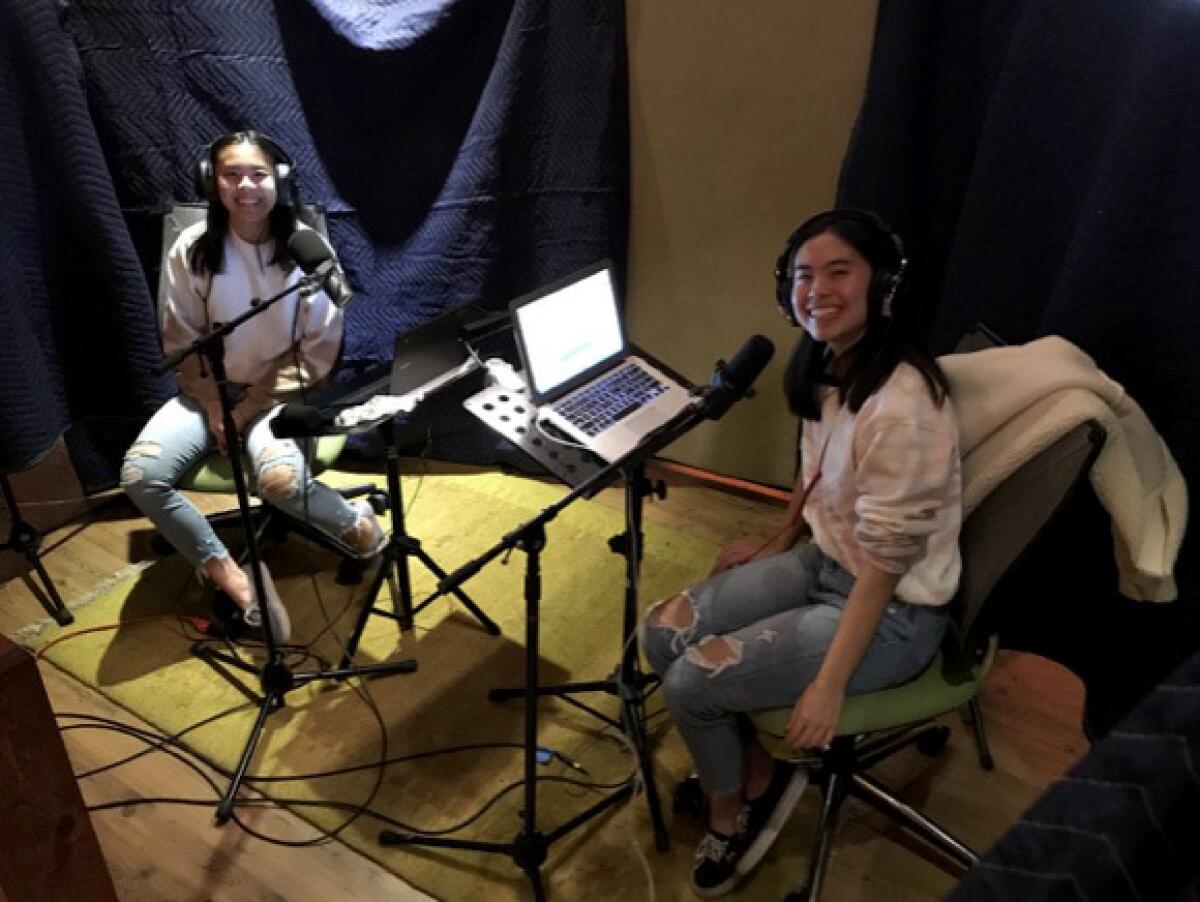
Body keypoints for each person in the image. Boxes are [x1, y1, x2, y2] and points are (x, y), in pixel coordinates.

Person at [641, 209, 962, 896]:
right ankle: (758, 772)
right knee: (662, 632)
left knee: (691, 684)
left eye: (838, 271)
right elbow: (814, 473)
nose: (816, 288)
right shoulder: (830, 366)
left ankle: (731, 815)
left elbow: (887, 565)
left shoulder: (901, 407)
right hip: (827, 563)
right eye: (803, 275)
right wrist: (779, 539)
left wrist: (828, 684)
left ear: (882, 283)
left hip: (892, 611)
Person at [121, 131, 385, 643]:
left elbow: (317, 352)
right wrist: (215, 402)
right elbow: (183, 341)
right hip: (206, 391)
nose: (246, 186)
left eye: (258, 174)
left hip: (279, 395)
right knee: (140, 475)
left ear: (278, 180)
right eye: (232, 175)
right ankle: (234, 580)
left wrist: (245, 410)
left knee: (280, 483)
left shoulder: (307, 249)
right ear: (213, 182)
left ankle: (360, 526)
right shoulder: (193, 249)